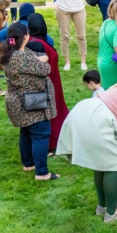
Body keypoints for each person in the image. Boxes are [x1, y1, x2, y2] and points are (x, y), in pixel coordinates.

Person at [56, 95, 117, 223]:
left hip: (83, 109)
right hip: (96, 116)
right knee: (113, 165)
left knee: (101, 162)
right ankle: (112, 214)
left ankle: (103, 207)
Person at [0, 22, 58, 180]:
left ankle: (28, 164)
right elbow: (45, 69)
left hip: (18, 101)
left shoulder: (11, 52)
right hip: (32, 101)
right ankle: (42, 172)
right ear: (25, 36)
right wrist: (42, 60)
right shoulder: (21, 57)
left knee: (25, 132)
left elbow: (33, 59)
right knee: (41, 135)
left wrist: (38, 59)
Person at [26, 13, 70, 152]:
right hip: (47, 85)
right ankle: (52, 142)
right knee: (51, 113)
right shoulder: (37, 44)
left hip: (49, 82)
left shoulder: (34, 42)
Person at [53, 0, 88, 72]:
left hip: (78, 7)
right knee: (64, 36)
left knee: (81, 35)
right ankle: (67, 61)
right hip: (63, 8)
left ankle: (83, 61)